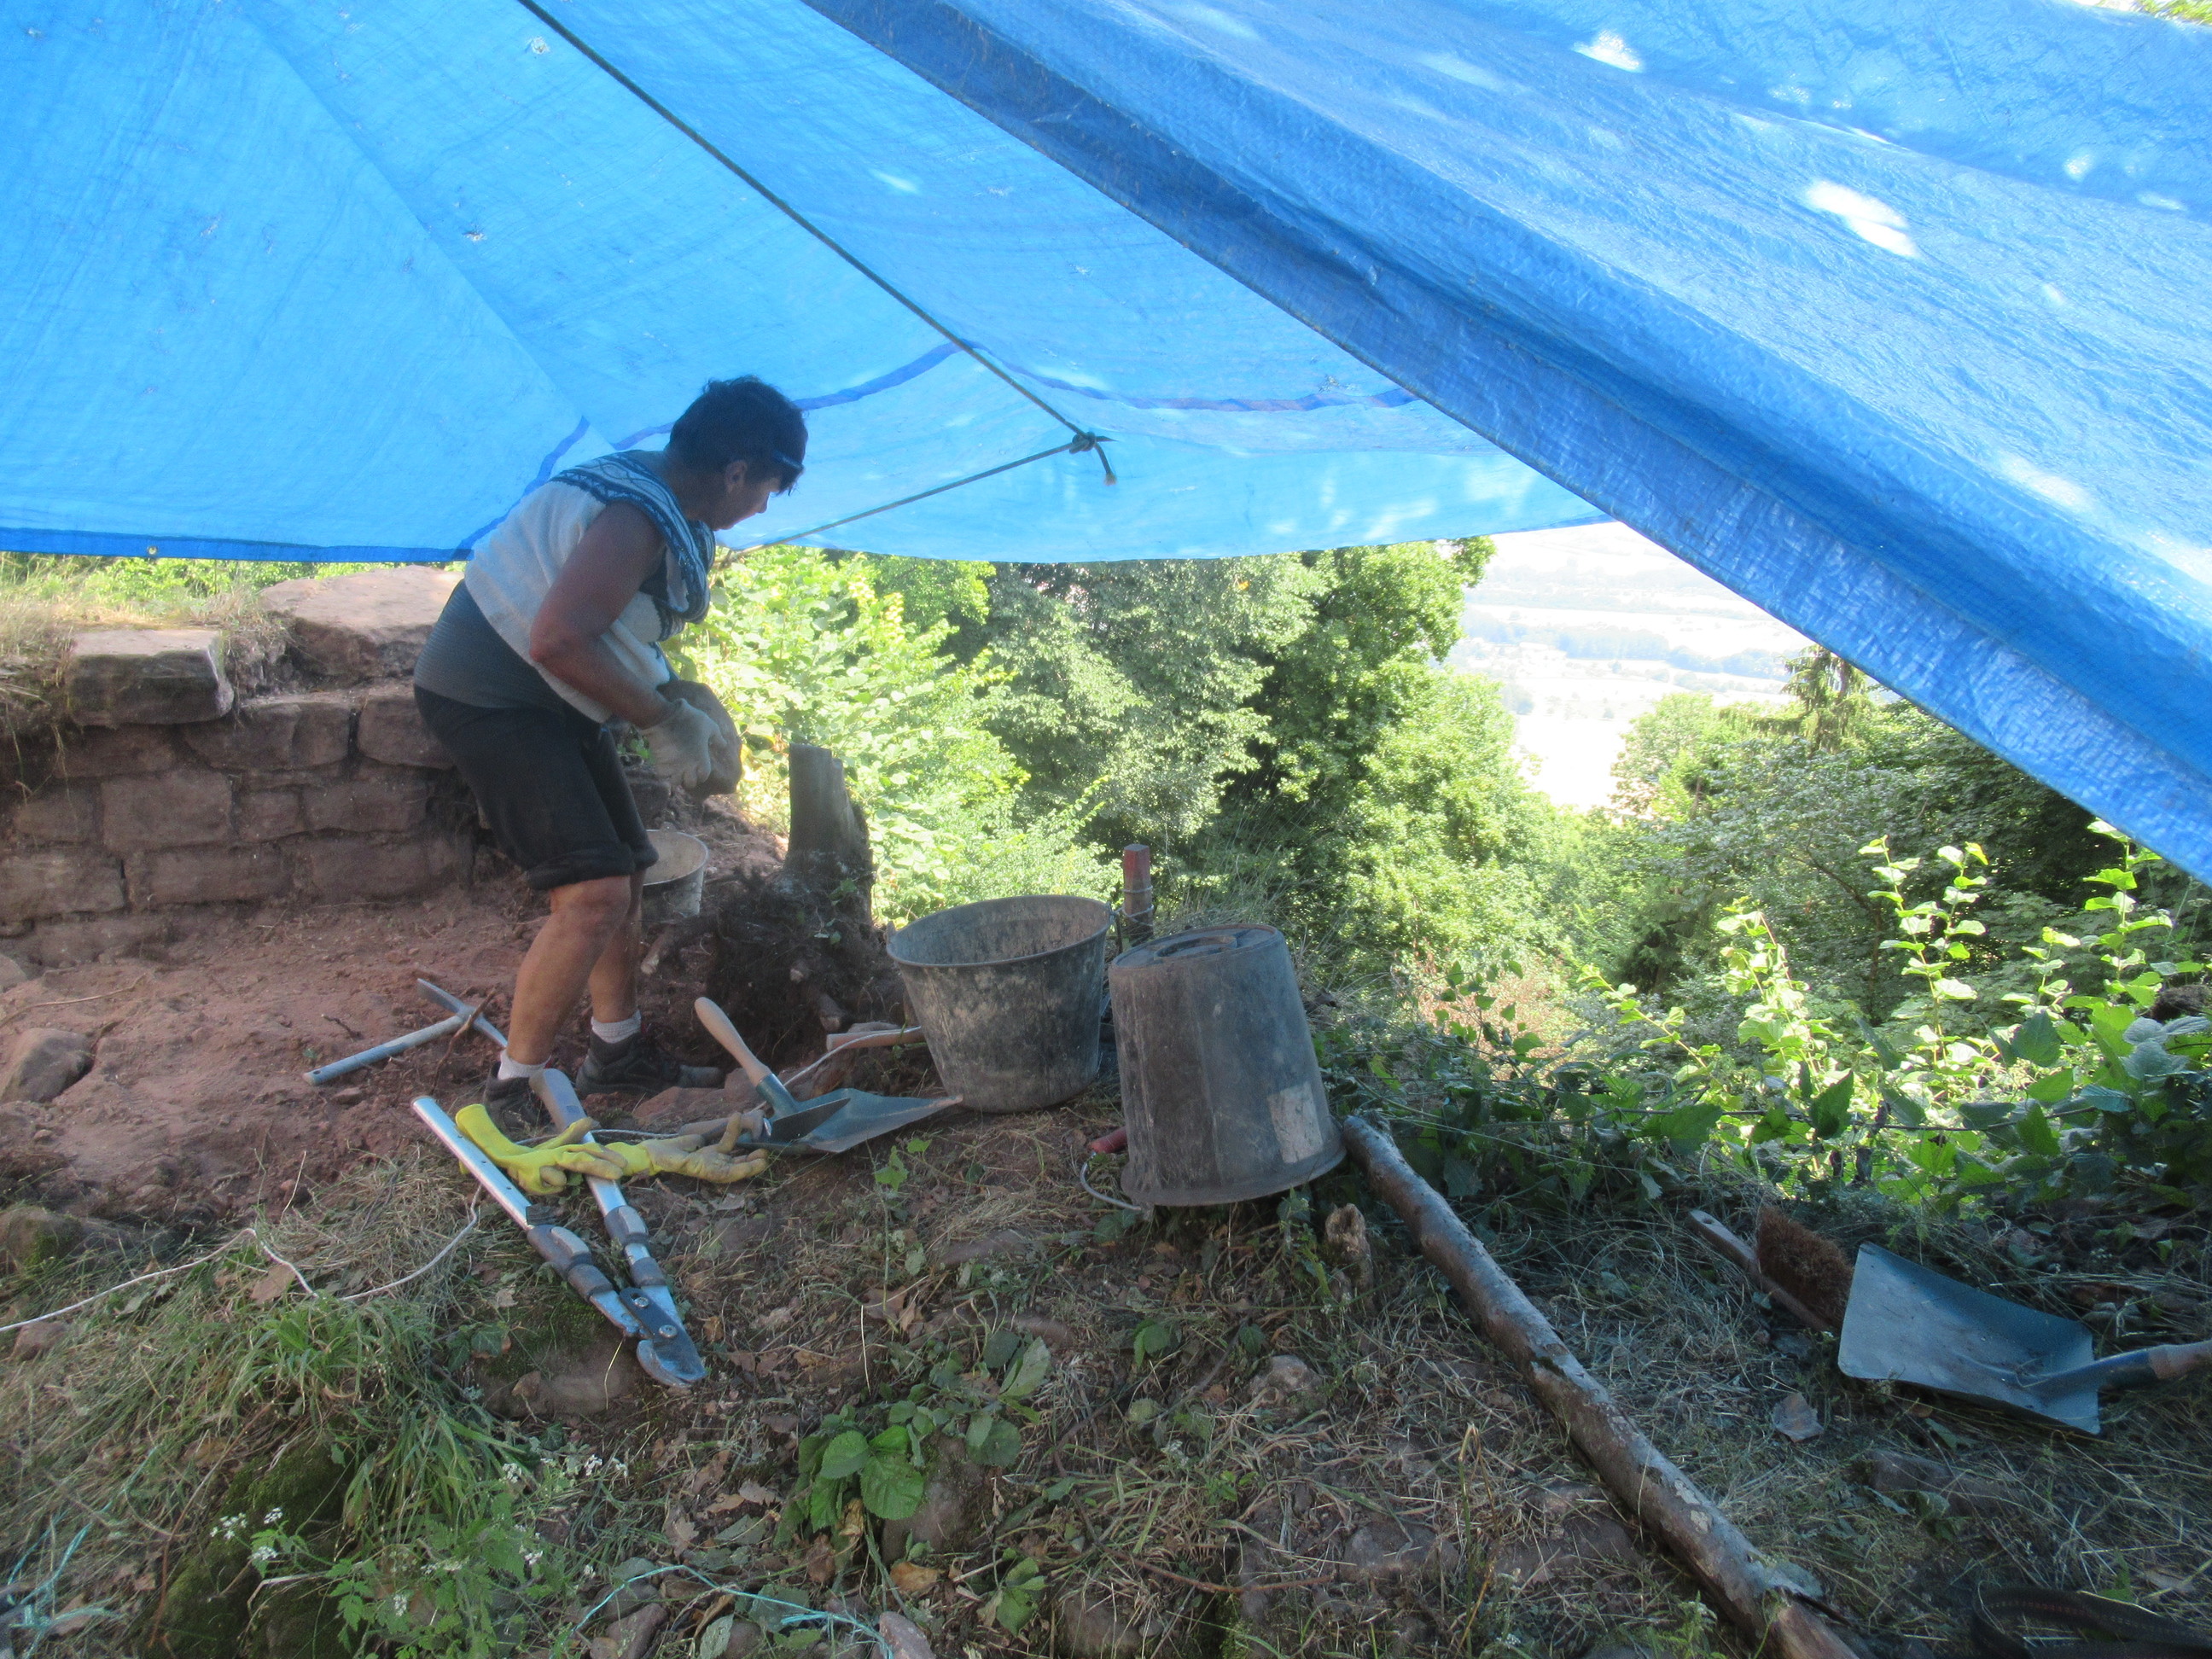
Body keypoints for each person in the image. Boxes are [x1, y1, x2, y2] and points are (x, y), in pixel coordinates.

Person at [412, 376, 806, 1120]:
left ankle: (616, 1053)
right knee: (592, 895)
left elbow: (608, 628)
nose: (763, 508)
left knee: (627, 867)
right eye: (768, 490)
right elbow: (558, 640)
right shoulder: (633, 518)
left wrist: (674, 693)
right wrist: (662, 720)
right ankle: (512, 1093)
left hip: (549, 693)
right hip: (493, 694)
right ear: (735, 472)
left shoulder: (661, 495)